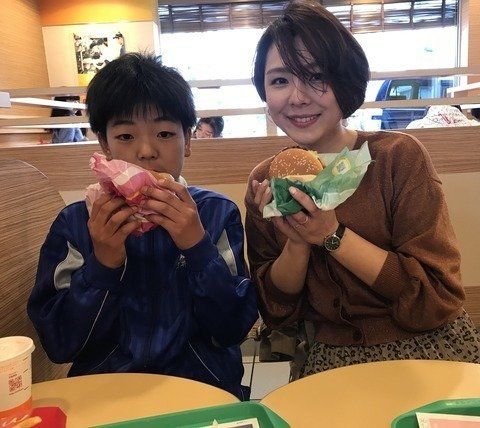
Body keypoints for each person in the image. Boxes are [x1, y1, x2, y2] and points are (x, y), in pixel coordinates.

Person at [245, 0, 480, 379]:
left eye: (316, 76)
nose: (298, 97)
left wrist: (332, 235)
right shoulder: (268, 179)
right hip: (329, 356)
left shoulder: (396, 157)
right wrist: (298, 242)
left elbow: (436, 298)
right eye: (280, 80)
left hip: (427, 346)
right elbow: (277, 312)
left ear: (345, 80)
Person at [28, 53, 257, 400]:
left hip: (202, 392)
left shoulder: (216, 214)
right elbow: (60, 344)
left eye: (164, 133)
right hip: (105, 396)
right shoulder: (76, 223)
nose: (146, 151)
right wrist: (103, 265)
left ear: (188, 140)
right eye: (125, 136)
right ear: (104, 145)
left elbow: (233, 329)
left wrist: (198, 248)